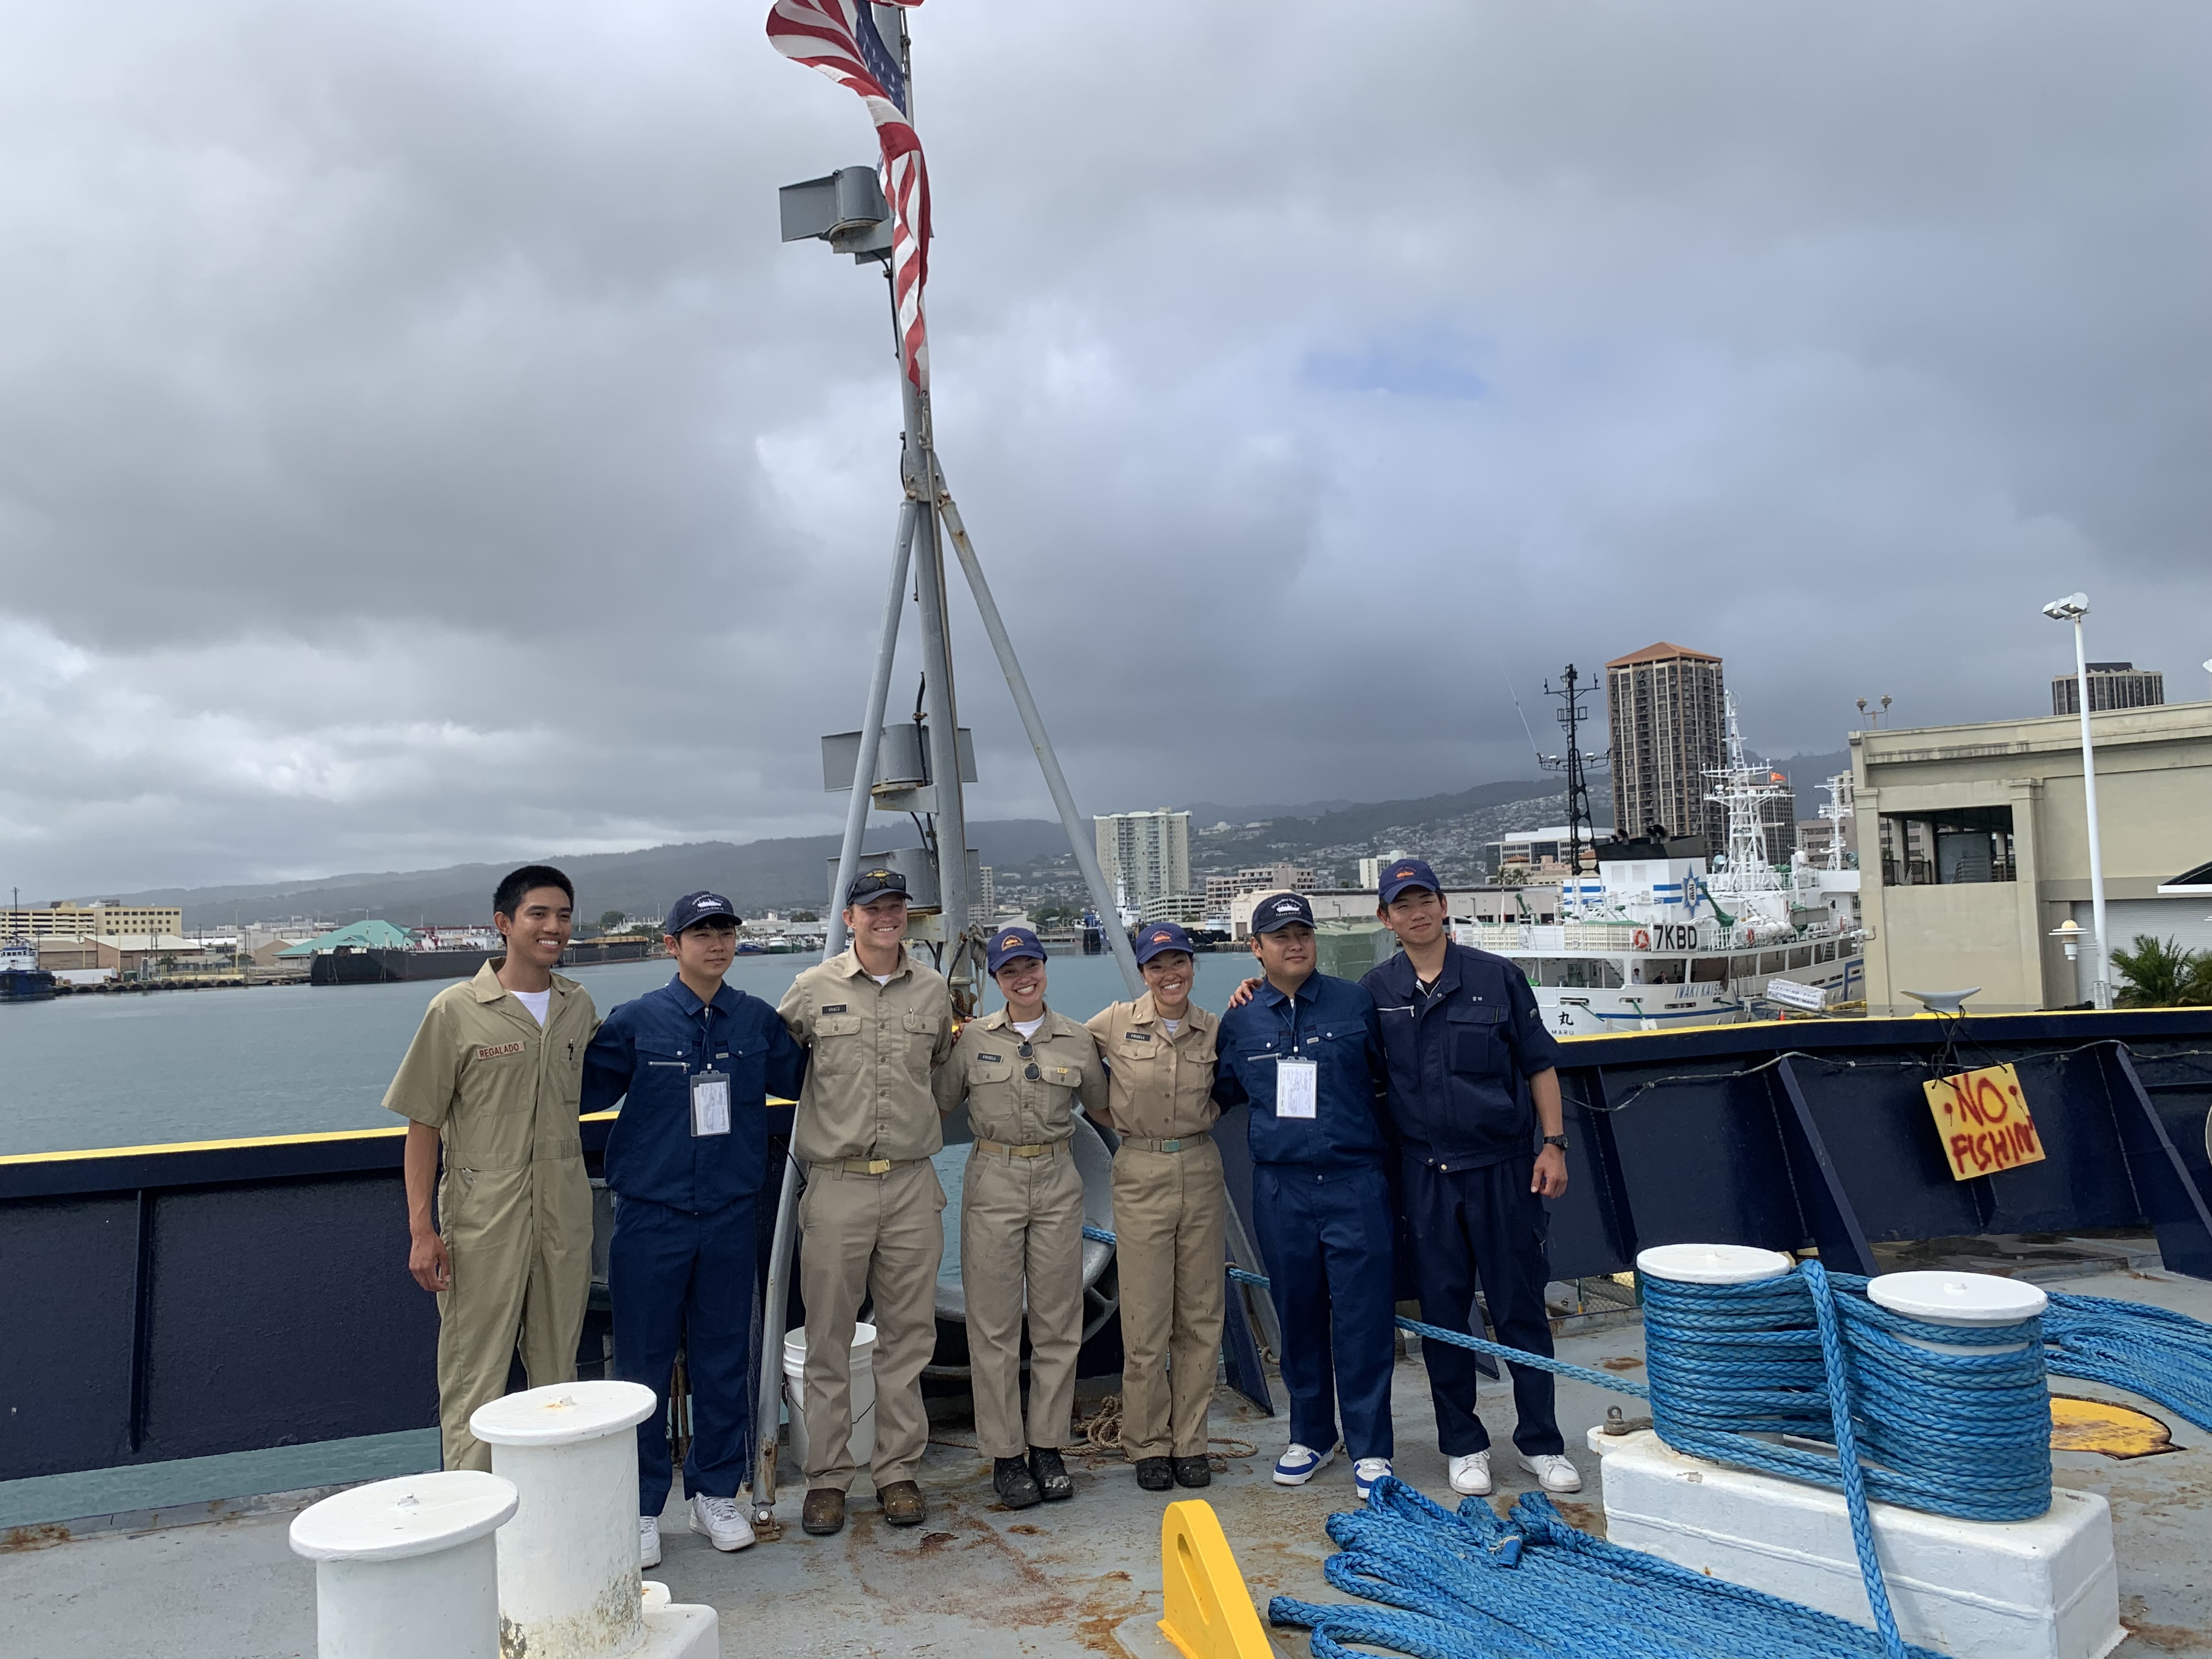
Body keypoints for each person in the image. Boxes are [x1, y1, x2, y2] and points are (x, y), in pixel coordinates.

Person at [582, 890, 808, 1567]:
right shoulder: (636, 1022)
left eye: (725, 932)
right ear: (671, 945)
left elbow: (812, 1080)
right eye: (701, 933)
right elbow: (578, 1089)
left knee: (722, 1357)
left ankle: (715, 1492)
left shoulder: (756, 1021)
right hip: (651, 1215)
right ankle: (642, 1506)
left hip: (732, 1213)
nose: (716, 943)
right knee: (642, 1363)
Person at [1363, 857, 1579, 1496]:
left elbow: (1540, 1065)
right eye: (1402, 905)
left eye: (1424, 899)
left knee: (1521, 1308)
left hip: (1504, 1169)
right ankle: (1463, 1444)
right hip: (1425, 1176)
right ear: (1386, 919)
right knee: (1444, 1314)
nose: (1416, 912)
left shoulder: (1496, 977)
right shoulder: (1376, 992)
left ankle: (1542, 1443)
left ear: (1444, 904)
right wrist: (1250, 990)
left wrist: (1555, 1145)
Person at [385, 864, 597, 1473]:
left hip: (563, 1213)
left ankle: (554, 1508)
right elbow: (422, 1125)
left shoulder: (576, 1007)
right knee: (474, 1375)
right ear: (504, 924)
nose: (553, 927)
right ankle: (472, 1518)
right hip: (481, 1217)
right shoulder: (455, 1011)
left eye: (562, 915)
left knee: (559, 1376)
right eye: (538, 914)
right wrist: (422, 1230)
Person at [775, 868, 957, 1538]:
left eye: (895, 907)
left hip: (912, 1182)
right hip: (839, 1185)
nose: (886, 918)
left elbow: (939, 1064)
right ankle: (827, 1478)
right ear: (849, 918)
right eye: (872, 908)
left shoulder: (934, 992)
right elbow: (778, 1057)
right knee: (828, 1337)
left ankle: (898, 1471)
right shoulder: (812, 990)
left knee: (909, 1338)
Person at [1212, 891, 1398, 1503]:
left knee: (1363, 1318)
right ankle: (1312, 1436)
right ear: (1256, 948)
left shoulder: (1355, 1002)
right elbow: (1228, 1089)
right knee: (1297, 1312)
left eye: (1303, 934)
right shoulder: (1240, 1021)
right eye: (1280, 936)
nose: (1295, 944)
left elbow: (1384, 1077)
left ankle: (1371, 1445)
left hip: (1353, 1180)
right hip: (1283, 1188)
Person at [932, 926, 1105, 1508]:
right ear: (996, 980)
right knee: (994, 1325)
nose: (1023, 978)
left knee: (1058, 1320)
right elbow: (938, 1100)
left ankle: (1049, 1447)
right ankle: (1006, 1455)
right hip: (994, 1178)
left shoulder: (1078, 1040)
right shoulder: (971, 1040)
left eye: (1030, 965)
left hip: (1058, 1178)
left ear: (1044, 967)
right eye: (1010, 972)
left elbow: (1102, 1102)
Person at [1085, 921, 1226, 1494]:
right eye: (1157, 966)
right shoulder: (1114, 1023)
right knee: (1145, 1317)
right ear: (1143, 972)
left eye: (1179, 963)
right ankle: (1146, 1443)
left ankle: (1190, 1442)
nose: (1170, 975)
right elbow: (1062, 1047)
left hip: (1200, 1166)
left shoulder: (1215, 1030)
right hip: (1140, 1168)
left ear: (1193, 967)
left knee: (1200, 1315)